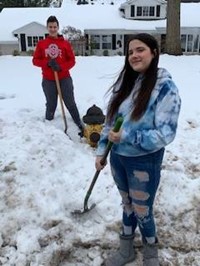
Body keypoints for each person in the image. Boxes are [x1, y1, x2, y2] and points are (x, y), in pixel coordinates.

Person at [95, 33, 181, 266]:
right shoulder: (125, 84)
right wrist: (101, 151)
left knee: (143, 209)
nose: (134, 55)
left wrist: (128, 136)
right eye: (130, 51)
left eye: (140, 50)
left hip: (144, 162)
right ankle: (127, 250)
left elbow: (166, 133)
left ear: (154, 52)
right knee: (127, 204)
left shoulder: (165, 88)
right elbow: (110, 123)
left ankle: (150, 253)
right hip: (118, 159)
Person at [32, 15, 84, 137]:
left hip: (64, 78)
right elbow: (35, 61)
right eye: (50, 27)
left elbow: (72, 61)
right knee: (51, 103)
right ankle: (48, 127)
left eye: (55, 27)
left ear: (58, 27)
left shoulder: (65, 44)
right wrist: (47, 63)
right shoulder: (42, 44)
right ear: (47, 27)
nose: (53, 29)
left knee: (70, 102)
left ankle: (79, 123)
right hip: (48, 79)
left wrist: (61, 67)